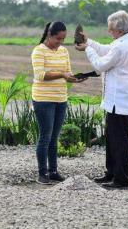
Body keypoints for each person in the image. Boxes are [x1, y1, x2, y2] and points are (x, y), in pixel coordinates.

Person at [75, 10, 128, 188]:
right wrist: (89, 42)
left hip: (119, 100)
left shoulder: (122, 46)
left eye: (111, 29)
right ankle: (111, 173)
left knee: (119, 141)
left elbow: (101, 64)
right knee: (112, 139)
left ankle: (121, 179)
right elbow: (108, 50)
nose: (109, 32)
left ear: (119, 30)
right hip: (122, 98)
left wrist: (87, 49)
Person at [32, 21, 86, 184]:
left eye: (63, 39)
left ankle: (53, 171)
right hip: (43, 100)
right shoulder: (38, 51)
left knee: (54, 137)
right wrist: (62, 75)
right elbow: (40, 75)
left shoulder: (63, 51)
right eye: (58, 39)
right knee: (45, 137)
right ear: (49, 35)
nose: (60, 42)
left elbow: (67, 73)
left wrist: (74, 78)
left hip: (60, 99)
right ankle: (42, 174)